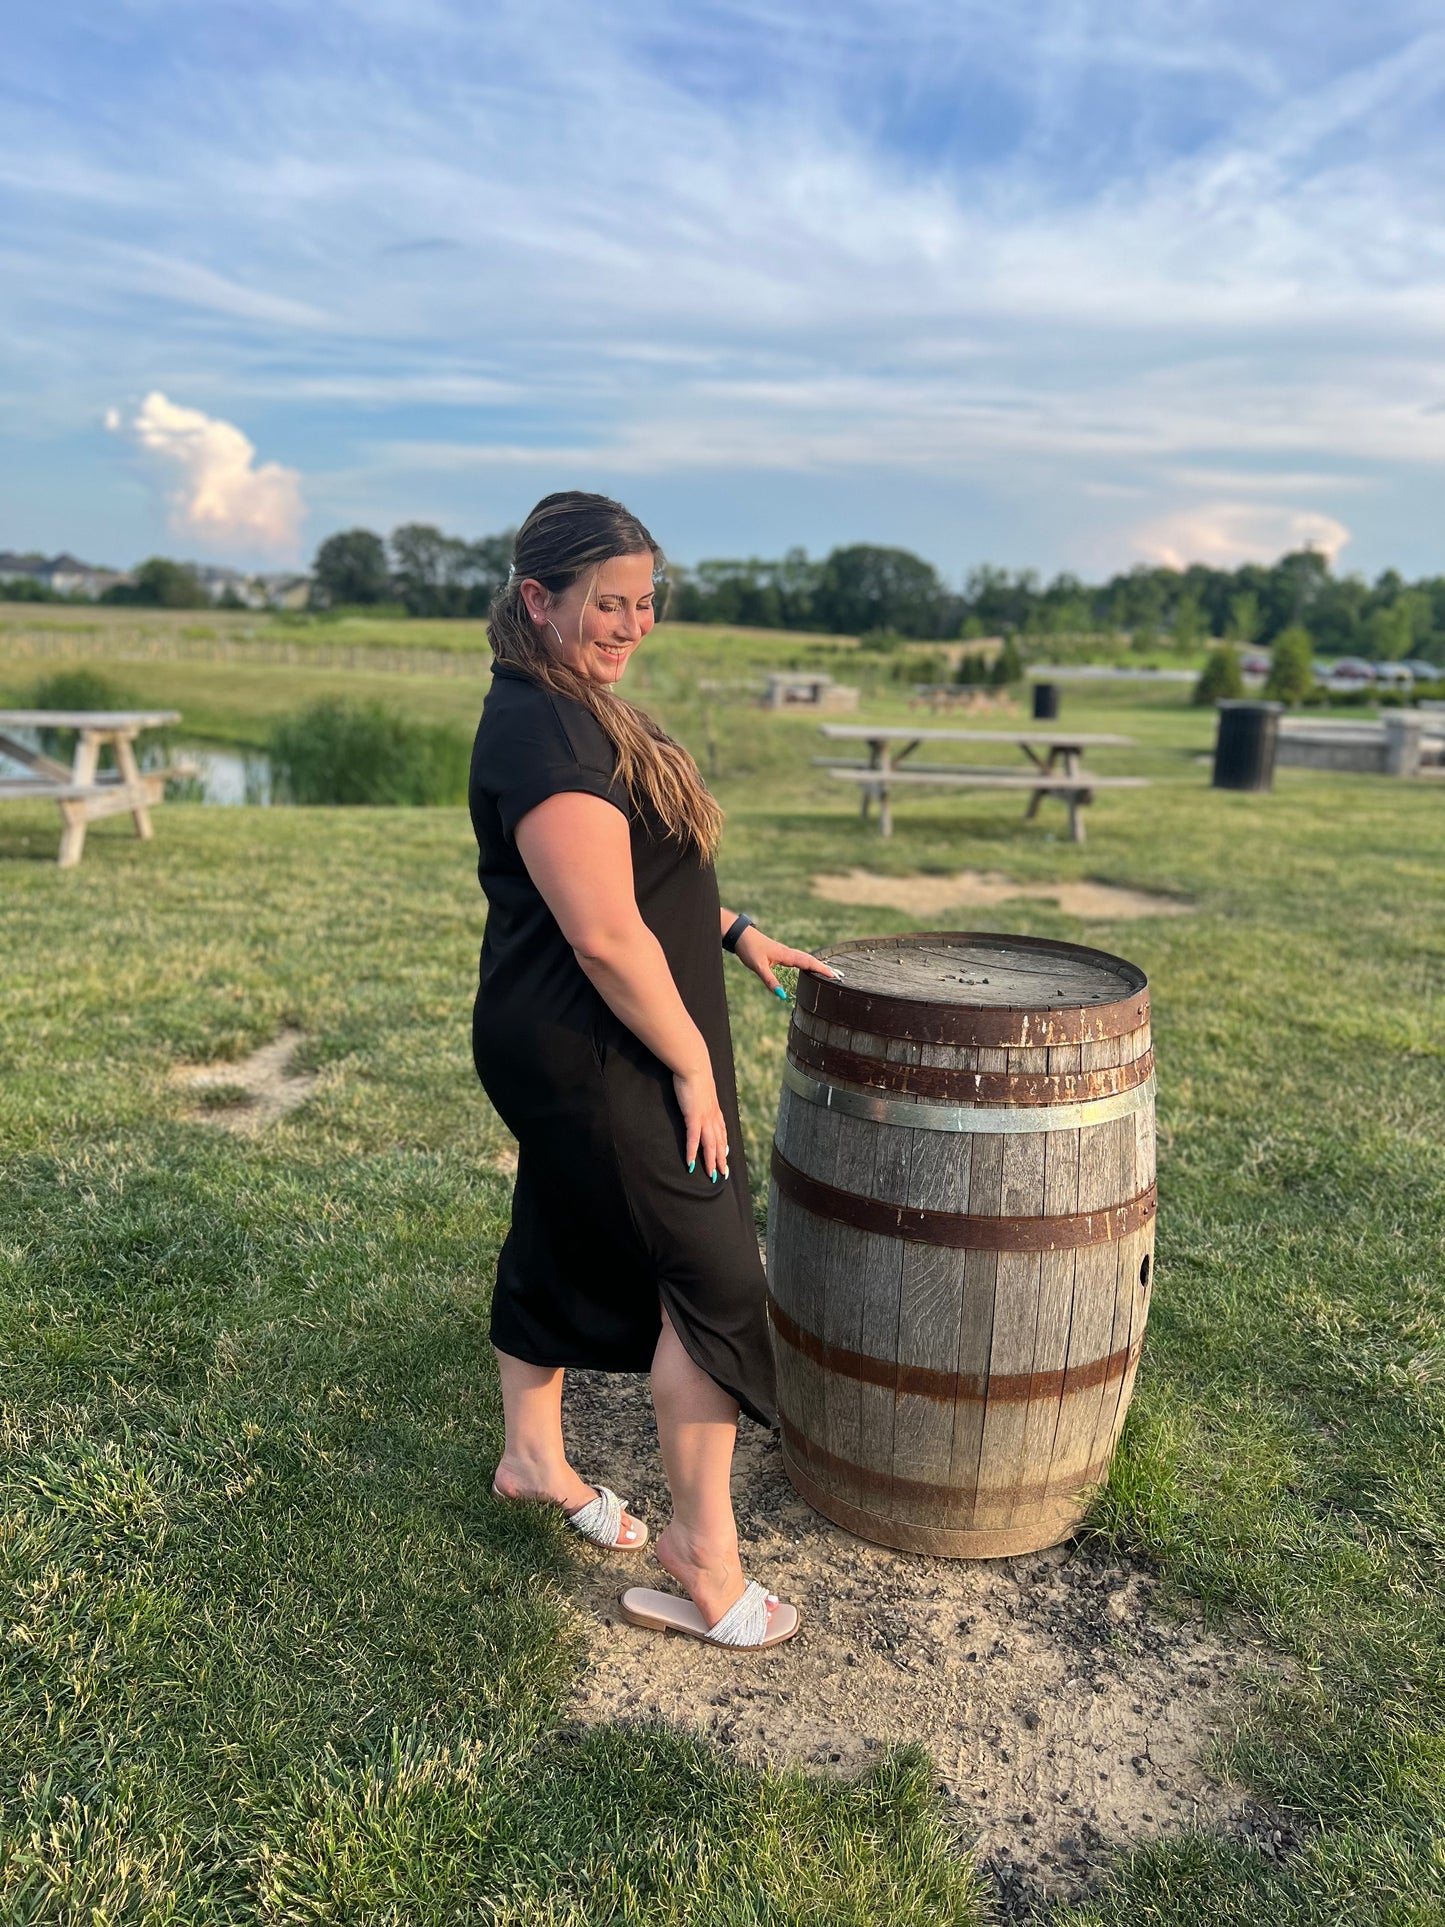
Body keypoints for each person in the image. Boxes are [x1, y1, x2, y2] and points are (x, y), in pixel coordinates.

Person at [470, 491, 838, 1651]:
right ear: (539, 599)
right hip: (598, 1042)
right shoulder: (541, 729)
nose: (630, 624)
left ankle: (532, 1458)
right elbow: (604, 935)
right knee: (718, 1278)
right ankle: (704, 1556)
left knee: (559, 1225)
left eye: (644, 602)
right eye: (606, 603)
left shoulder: (578, 706)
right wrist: (690, 1067)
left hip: (588, 1031)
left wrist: (733, 933)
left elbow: (639, 888)